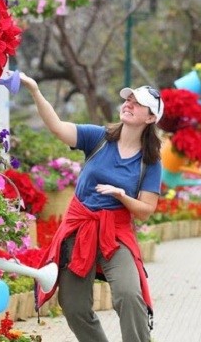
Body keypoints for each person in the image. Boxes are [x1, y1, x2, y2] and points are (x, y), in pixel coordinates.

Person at [20, 73, 163, 342]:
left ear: (151, 118)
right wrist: (35, 91)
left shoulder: (150, 162)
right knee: (73, 305)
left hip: (116, 233)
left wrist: (121, 196)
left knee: (130, 296)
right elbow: (56, 127)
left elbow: (145, 209)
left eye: (138, 103)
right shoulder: (98, 138)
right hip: (80, 227)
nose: (129, 104)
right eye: (128, 99)